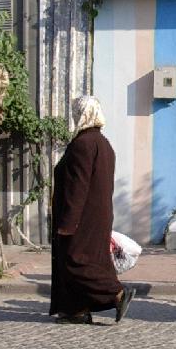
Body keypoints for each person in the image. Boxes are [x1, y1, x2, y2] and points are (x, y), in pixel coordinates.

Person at [49, 96, 135, 324]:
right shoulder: (103, 143)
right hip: (98, 216)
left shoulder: (83, 144)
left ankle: (117, 293)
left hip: (82, 217)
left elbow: (78, 186)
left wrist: (68, 222)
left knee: (75, 260)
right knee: (93, 259)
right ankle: (76, 310)